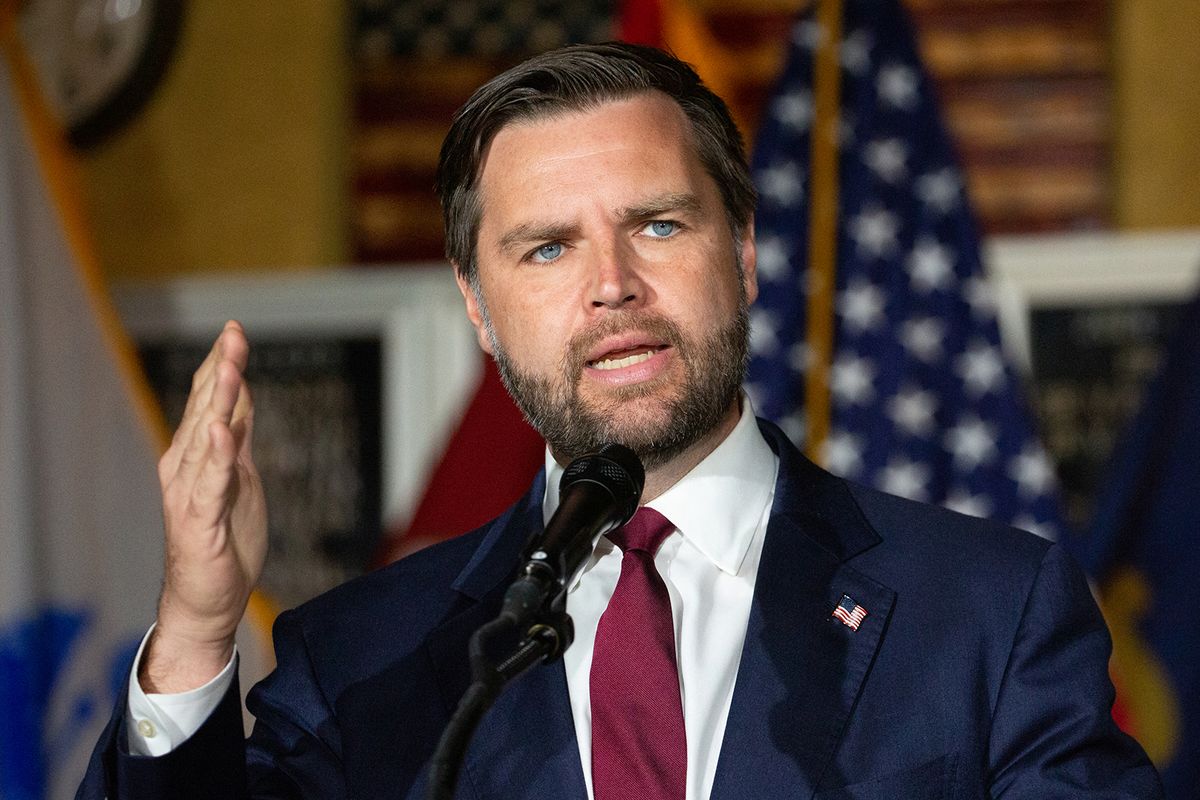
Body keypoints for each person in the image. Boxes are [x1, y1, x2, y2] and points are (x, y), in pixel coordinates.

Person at [78, 42, 1161, 799]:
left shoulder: (987, 611)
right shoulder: (364, 658)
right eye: (546, 247)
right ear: (478, 307)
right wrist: (195, 631)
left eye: (655, 223)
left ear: (741, 252)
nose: (611, 284)